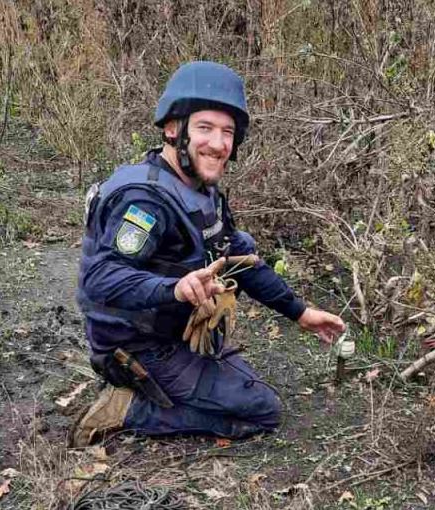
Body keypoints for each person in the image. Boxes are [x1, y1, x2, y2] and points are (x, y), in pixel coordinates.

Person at [71, 61, 346, 447]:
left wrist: (300, 313)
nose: (218, 143)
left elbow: (238, 257)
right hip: (135, 347)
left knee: (245, 386)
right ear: (173, 129)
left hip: (175, 334)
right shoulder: (145, 200)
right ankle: (128, 408)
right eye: (205, 128)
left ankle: (166, 387)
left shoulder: (201, 190)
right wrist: (175, 288)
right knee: (263, 410)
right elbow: (100, 279)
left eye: (227, 132)